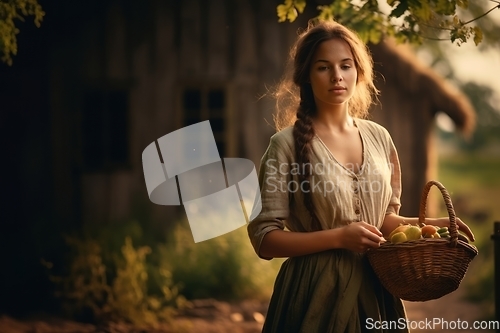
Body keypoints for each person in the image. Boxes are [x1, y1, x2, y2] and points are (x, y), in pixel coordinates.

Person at [247, 20, 475, 333]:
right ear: (306, 77)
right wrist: (339, 237)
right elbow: (265, 240)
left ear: (359, 72)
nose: (337, 76)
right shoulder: (284, 145)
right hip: (314, 294)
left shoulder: (380, 138)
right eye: (323, 67)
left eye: (346, 65)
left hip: (376, 289)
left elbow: (381, 221)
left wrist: (427, 226)